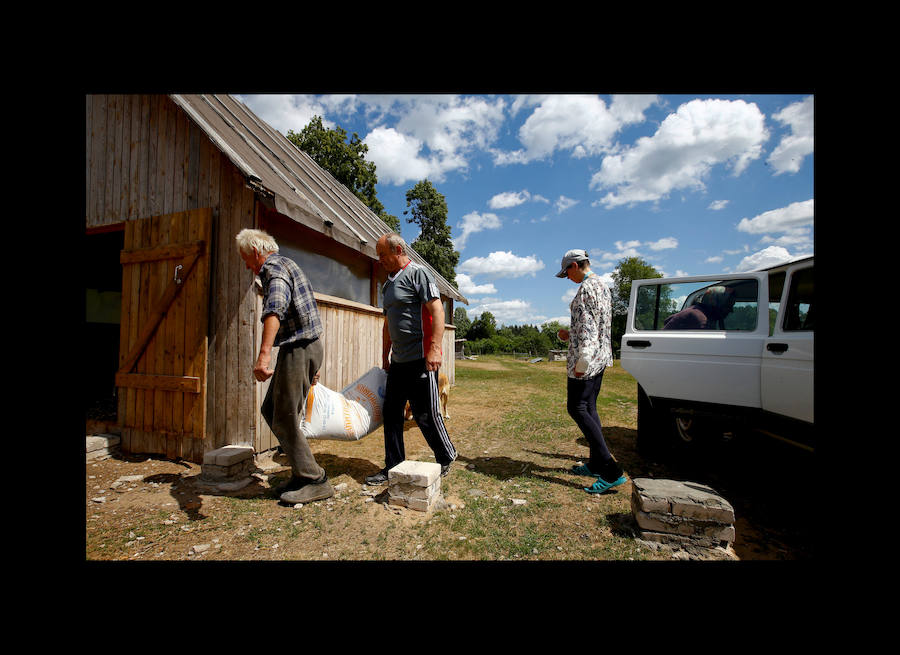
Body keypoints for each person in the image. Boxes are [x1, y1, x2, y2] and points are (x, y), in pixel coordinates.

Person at [235, 228, 333, 505]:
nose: (247, 265)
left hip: (299, 348)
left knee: (286, 416)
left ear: (256, 251)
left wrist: (263, 356)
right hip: (301, 347)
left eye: (246, 258)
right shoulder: (288, 264)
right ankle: (302, 474)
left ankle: (315, 480)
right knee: (272, 410)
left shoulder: (273, 269)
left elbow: (274, 309)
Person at [364, 233, 458, 485]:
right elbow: (388, 323)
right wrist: (385, 353)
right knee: (392, 412)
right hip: (398, 361)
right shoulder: (387, 285)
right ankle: (393, 465)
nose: (379, 259)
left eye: (382, 254)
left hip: (421, 358)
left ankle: (446, 456)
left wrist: (435, 348)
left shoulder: (419, 274)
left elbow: (437, 310)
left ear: (397, 250)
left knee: (425, 413)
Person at [555, 249, 626, 494]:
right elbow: (595, 324)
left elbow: (587, 326)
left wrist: (583, 358)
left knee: (577, 407)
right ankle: (596, 462)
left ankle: (610, 470)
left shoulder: (585, 289)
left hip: (587, 359)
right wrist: (569, 334)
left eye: (567, 273)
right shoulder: (603, 286)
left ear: (575, 266)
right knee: (590, 407)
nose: (567, 278)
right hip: (601, 356)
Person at [663, 285, 736, 330]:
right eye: (727, 306)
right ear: (714, 302)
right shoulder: (701, 320)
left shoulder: (697, 311)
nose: (730, 310)